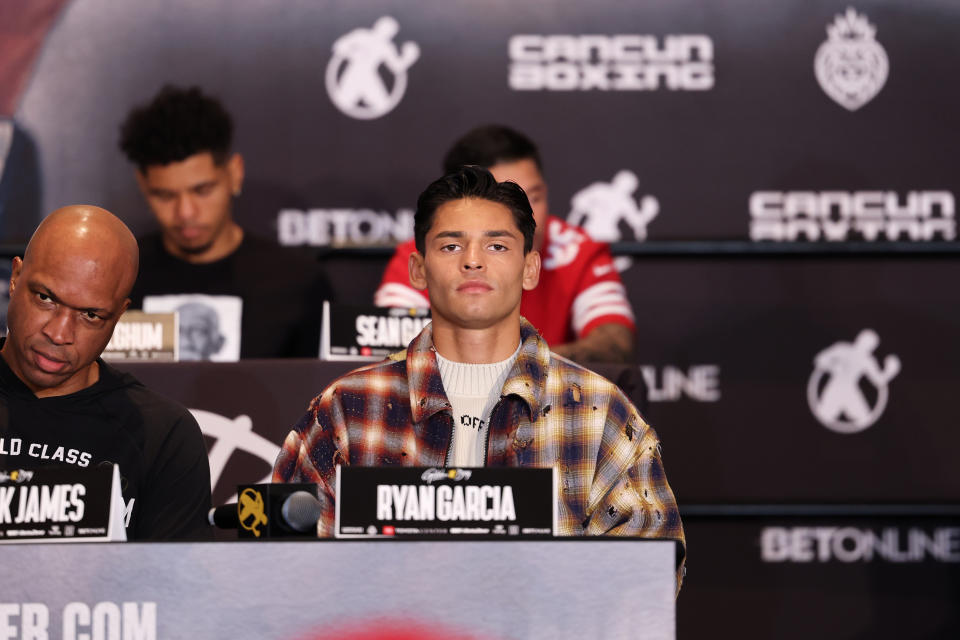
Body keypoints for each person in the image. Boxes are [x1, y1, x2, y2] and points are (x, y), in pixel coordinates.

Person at [275, 167, 684, 586]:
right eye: (451, 245)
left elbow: (644, 584)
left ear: (530, 268)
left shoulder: (599, 412)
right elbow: (286, 575)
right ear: (418, 270)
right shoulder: (347, 407)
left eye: (497, 245)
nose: (473, 260)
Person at [0, 205, 211, 540]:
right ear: (15, 278)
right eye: (46, 298)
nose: (59, 333)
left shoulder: (162, 435)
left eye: (91, 315)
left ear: (119, 314)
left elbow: (174, 588)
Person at [374, 125, 636, 363]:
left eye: (535, 197)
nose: (529, 216)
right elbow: (389, 350)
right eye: (506, 202)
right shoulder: (428, 254)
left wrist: (515, 366)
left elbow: (614, 342)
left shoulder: (578, 250)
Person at [118, 85, 332, 359]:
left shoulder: (298, 282)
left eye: (202, 190)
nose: (185, 212)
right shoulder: (120, 278)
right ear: (143, 185)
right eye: (165, 196)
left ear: (235, 173)